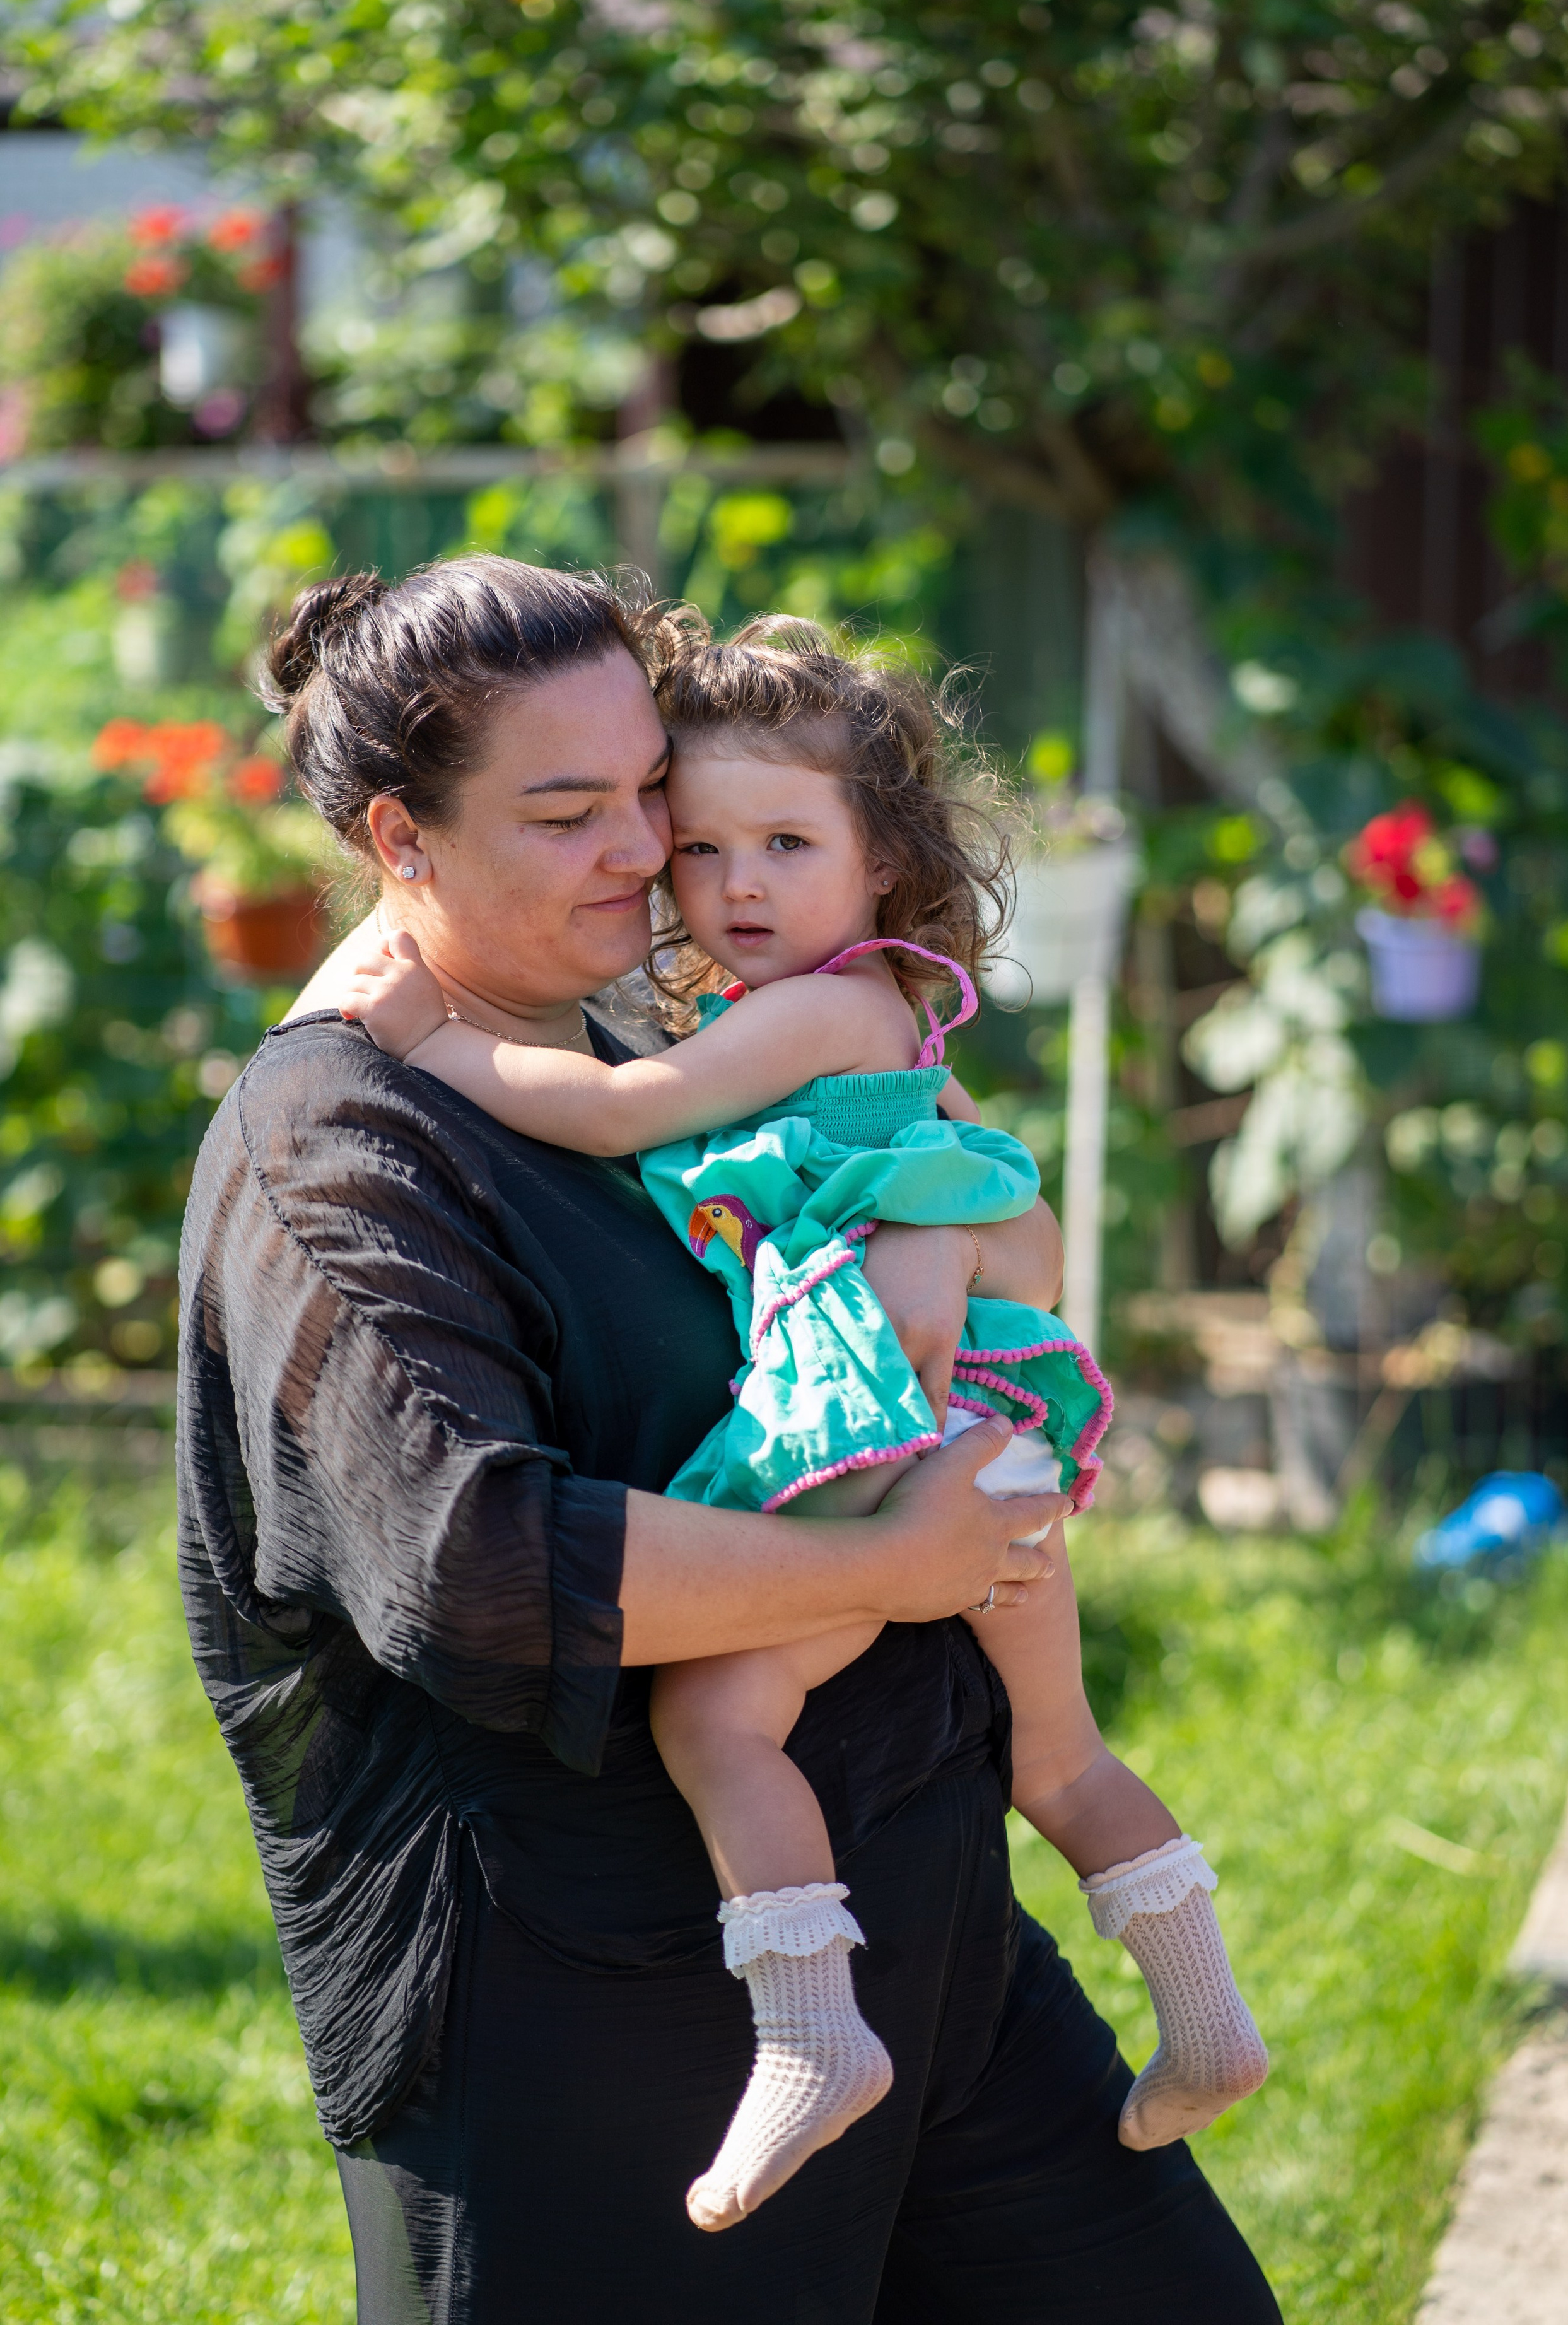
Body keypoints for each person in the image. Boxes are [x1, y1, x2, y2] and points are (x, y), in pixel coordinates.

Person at [178, 553, 1282, 2322]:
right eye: (569, 813)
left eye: (650, 800)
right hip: (604, 2003)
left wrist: (953, 1251)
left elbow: (942, 1166)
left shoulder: (658, 1010)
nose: (644, 855)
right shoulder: (345, 1147)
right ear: (402, 840)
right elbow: (479, 1570)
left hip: (920, 1928)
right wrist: (882, 1564)